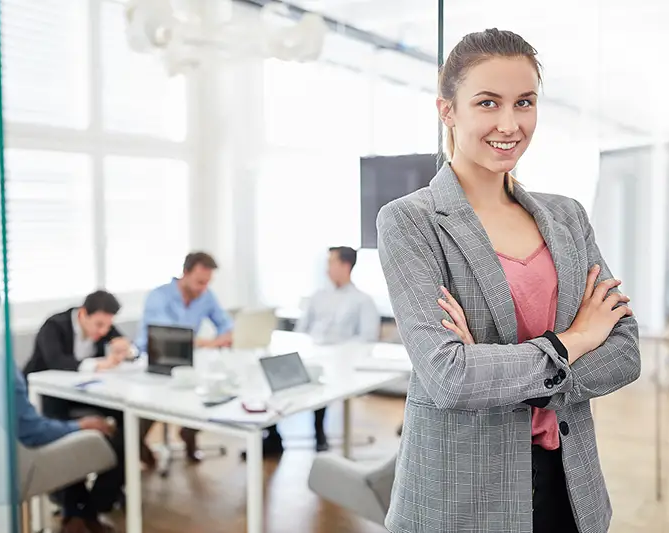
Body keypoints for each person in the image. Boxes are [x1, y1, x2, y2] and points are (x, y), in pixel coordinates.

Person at [376, 29, 641, 533]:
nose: (510, 123)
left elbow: (626, 352)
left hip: (569, 482)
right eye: (487, 102)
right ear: (447, 111)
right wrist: (574, 341)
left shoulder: (566, 218)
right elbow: (448, 377)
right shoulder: (411, 222)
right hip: (461, 492)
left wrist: (496, 369)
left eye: (524, 102)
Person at [0, 270, 120, 533]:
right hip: (20, 459)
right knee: (108, 437)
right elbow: (33, 432)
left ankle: (78, 515)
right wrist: (79, 427)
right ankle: (82, 514)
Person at [22, 290, 130, 522]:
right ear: (82, 314)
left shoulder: (104, 326)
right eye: (99, 325)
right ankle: (74, 505)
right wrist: (99, 364)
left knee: (126, 421)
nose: (103, 331)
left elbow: (124, 347)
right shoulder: (54, 326)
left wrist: (125, 348)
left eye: (107, 326)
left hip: (84, 394)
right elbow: (56, 362)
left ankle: (98, 500)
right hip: (47, 396)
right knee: (64, 438)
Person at [264, 246, 379, 453]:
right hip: (310, 355)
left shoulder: (363, 300)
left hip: (338, 362)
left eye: (331, 263)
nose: (327, 269)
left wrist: (337, 354)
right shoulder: (317, 296)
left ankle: (319, 431)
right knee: (272, 373)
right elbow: (301, 330)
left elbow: (367, 339)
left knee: (318, 376)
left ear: (345, 265)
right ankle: (272, 435)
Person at [135, 252, 234, 464]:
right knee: (153, 402)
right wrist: (209, 342)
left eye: (207, 282)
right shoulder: (159, 296)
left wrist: (218, 338)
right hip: (155, 361)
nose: (202, 288)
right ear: (185, 273)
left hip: (190, 361)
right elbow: (171, 337)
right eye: (199, 281)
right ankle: (138, 445)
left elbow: (226, 325)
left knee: (216, 387)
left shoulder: (206, 296)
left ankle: (189, 433)